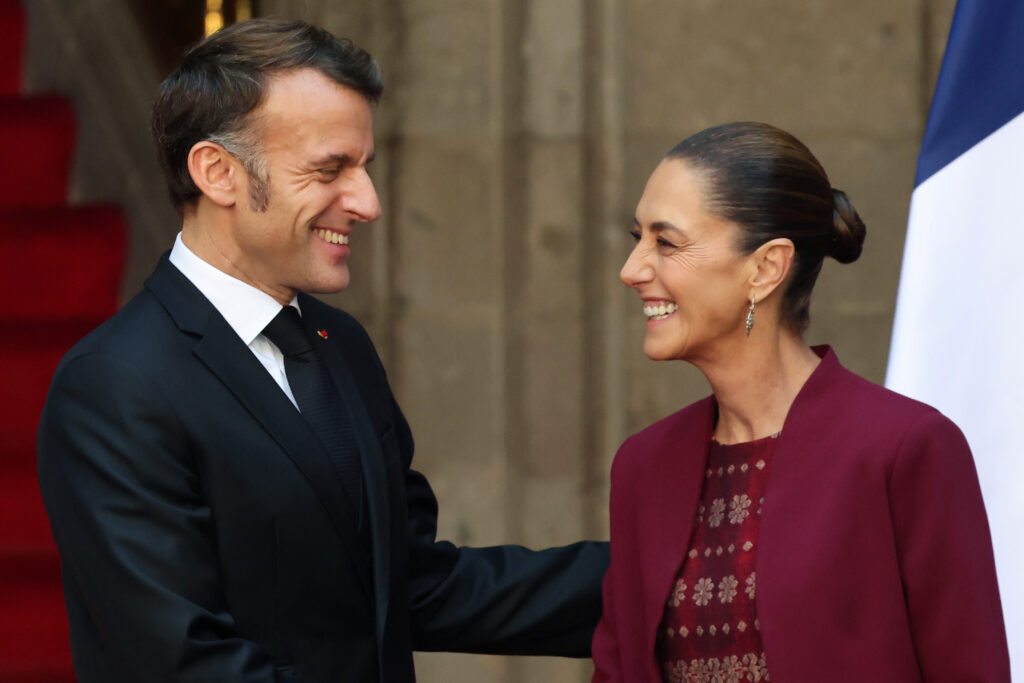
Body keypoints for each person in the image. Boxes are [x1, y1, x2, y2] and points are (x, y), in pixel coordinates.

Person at [37, 18, 608, 683]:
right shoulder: (114, 384)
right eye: (330, 169)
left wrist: (674, 577)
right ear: (218, 173)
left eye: (364, 168)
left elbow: (410, 584)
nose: (367, 202)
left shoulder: (342, 344)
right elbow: (185, 663)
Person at [590, 122, 1009, 682]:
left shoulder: (904, 448)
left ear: (766, 268)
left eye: (666, 242)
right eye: (637, 237)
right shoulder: (643, 465)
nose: (632, 269)